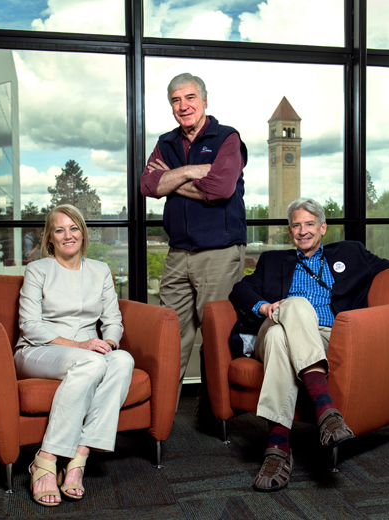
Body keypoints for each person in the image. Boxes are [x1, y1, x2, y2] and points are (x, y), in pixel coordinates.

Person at [229, 197, 389, 492]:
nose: (302, 231)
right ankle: (326, 410)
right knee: (293, 309)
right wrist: (266, 308)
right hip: (273, 326)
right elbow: (241, 289)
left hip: (326, 336)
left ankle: (278, 448)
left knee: (285, 338)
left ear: (323, 227)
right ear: (289, 231)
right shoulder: (272, 261)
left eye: (309, 224)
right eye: (296, 225)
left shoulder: (351, 253)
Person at [141, 72, 248, 420]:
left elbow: (219, 190)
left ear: (204, 101)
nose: (183, 106)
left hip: (219, 253)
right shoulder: (167, 141)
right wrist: (191, 171)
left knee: (216, 337)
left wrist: (170, 179)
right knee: (171, 335)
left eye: (190, 98)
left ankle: (215, 412)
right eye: (176, 100)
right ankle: (161, 416)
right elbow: (147, 184)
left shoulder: (226, 138)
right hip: (177, 254)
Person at [14, 204, 134, 506]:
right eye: (59, 229)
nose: (68, 235)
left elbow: (113, 320)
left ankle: (79, 457)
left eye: (74, 227)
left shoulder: (100, 270)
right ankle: (47, 457)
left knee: (123, 360)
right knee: (91, 360)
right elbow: (29, 325)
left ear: (83, 232)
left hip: (88, 352)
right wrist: (80, 346)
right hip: (40, 350)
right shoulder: (38, 270)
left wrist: (109, 343)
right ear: (50, 238)